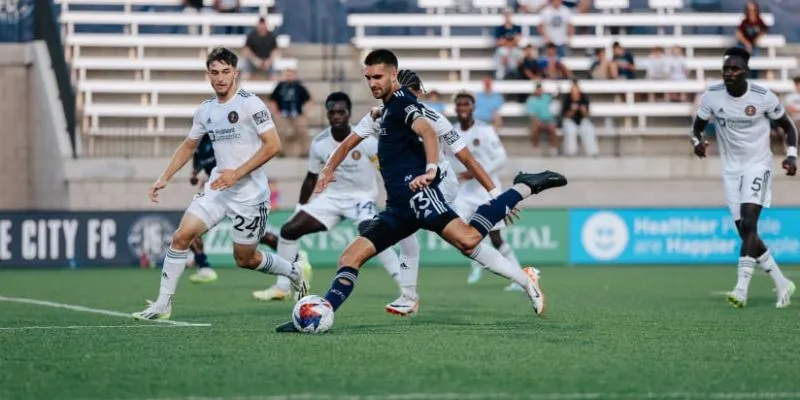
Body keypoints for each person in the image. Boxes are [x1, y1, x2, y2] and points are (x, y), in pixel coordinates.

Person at [274, 49, 568, 332]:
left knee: (468, 240)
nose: (372, 83)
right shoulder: (380, 113)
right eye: (368, 78)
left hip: (422, 194)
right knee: (350, 257)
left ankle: (525, 186)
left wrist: (431, 169)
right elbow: (350, 141)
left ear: (394, 76)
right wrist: (326, 171)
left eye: (378, 77)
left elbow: (428, 133)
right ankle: (318, 314)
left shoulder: (405, 105)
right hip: (398, 208)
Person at [132, 47, 309, 321]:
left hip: (250, 196)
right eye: (214, 72)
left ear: (235, 74)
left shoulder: (251, 104)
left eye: (226, 72)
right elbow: (189, 145)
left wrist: (236, 173)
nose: (220, 78)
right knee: (181, 236)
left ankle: (294, 271)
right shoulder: (206, 110)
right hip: (217, 189)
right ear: (208, 75)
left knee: (245, 259)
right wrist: (163, 177)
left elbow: (274, 145)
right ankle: (162, 304)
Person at [353, 69, 529, 316]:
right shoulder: (387, 114)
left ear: (415, 93)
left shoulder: (433, 118)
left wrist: (494, 193)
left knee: (456, 237)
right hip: (416, 187)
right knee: (465, 243)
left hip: (441, 183)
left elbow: (467, 159)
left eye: (406, 93)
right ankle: (522, 278)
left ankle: (409, 296)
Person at [251, 92, 405, 302]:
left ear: (349, 113)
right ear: (327, 114)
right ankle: (283, 286)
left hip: (361, 198)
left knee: (373, 234)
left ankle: (405, 286)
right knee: (288, 230)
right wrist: (300, 207)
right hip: (332, 199)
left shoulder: (367, 141)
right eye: (332, 112)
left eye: (341, 112)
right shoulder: (320, 143)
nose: (337, 116)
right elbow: (311, 178)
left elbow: (385, 169)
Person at [691, 47, 797, 309]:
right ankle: (781, 281)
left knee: (749, 224)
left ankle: (741, 289)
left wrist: (792, 155)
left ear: (745, 71)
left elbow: (788, 126)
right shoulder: (712, 96)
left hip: (757, 166)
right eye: (726, 69)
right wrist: (697, 142)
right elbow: (698, 126)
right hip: (730, 170)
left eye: (734, 69)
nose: (729, 73)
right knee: (744, 230)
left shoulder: (762, 97)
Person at [186, 131, 312, 286]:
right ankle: (204, 268)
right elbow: (198, 167)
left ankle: (297, 256)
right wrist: (196, 175)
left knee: (260, 237)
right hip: (217, 195)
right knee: (189, 231)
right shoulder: (200, 147)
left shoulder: (225, 135)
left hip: (240, 194)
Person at [450, 90, 527, 291]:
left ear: (473, 107)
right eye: (459, 104)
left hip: (487, 190)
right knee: (460, 232)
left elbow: (501, 159)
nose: (462, 108)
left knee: (496, 237)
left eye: (466, 104)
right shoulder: (451, 132)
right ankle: (476, 264)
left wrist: (474, 173)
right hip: (465, 193)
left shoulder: (485, 131)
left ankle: (519, 277)